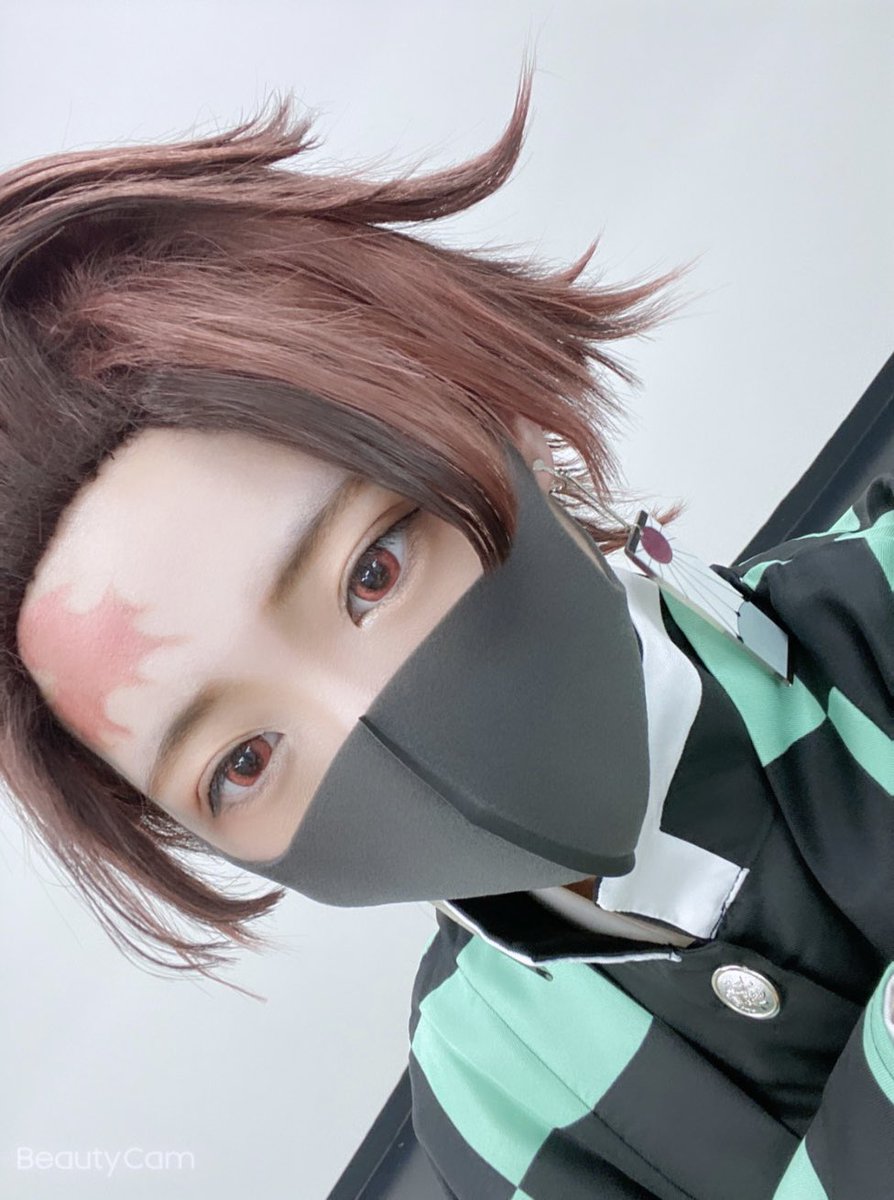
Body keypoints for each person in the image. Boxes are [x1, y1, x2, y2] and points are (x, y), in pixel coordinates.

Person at [0, 63, 890, 1199]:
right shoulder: (485, 1091)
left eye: (372, 571)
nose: (367, 731)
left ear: (494, 415)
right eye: (243, 762)